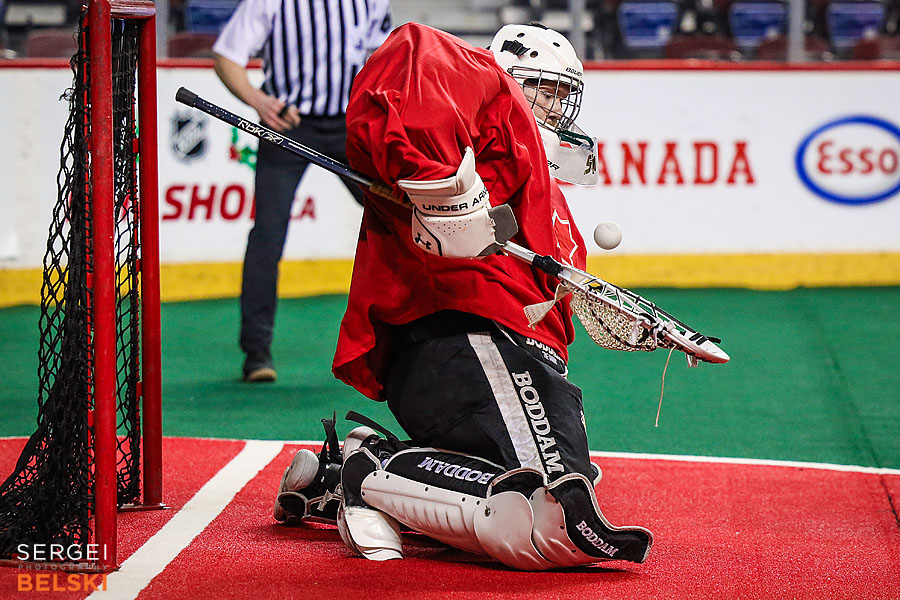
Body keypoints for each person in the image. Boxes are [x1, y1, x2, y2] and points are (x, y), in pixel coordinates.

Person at [273, 22, 652, 570]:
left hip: (508, 361)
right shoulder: (477, 118)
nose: (556, 107)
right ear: (508, 80)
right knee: (556, 519)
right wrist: (442, 189)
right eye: (545, 90)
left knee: (547, 492)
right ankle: (369, 473)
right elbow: (416, 50)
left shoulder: (537, 185)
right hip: (468, 340)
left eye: (563, 95)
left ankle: (350, 473)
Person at [212, 0, 393, 382]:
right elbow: (227, 55)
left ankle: (408, 338)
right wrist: (260, 101)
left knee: (399, 220)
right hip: (287, 126)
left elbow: (384, 60)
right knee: (268, 233)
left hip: (352, 126)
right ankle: (257, 352)